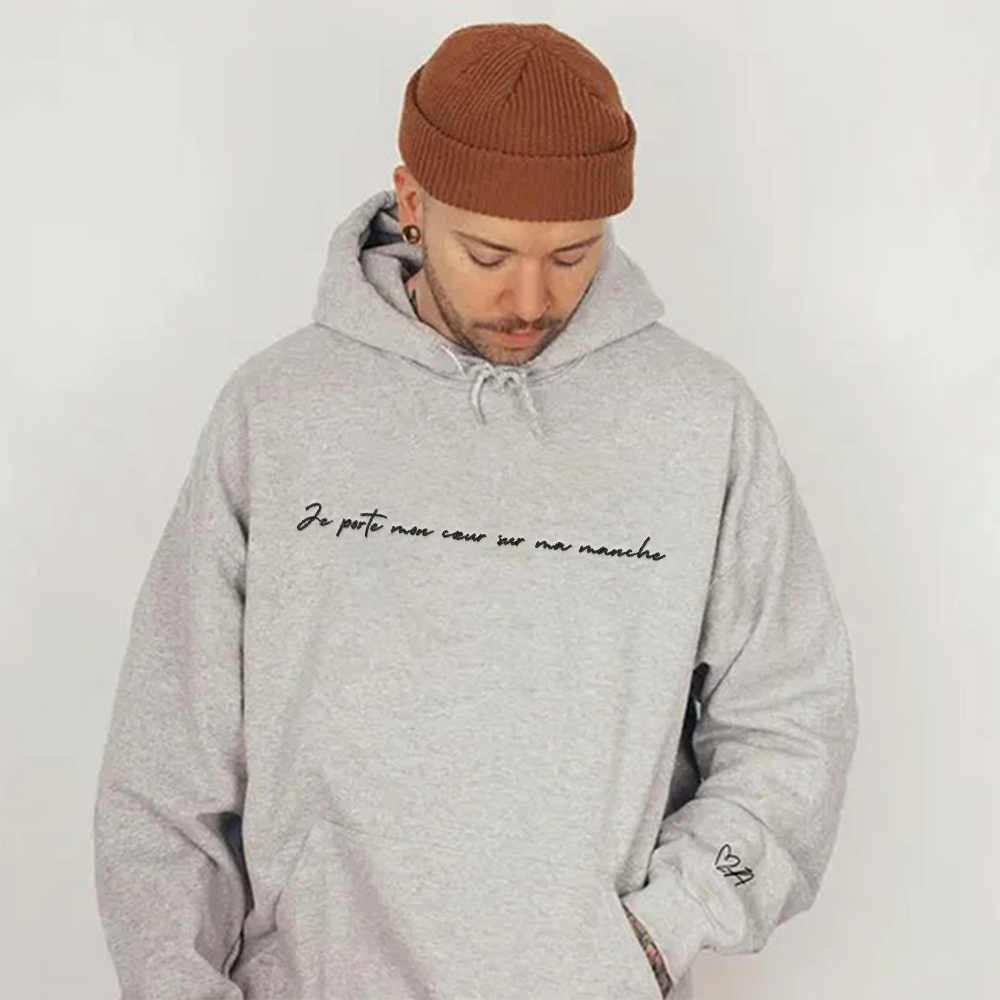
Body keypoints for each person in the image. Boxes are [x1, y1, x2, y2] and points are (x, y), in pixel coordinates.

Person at [93, 21, 860, 1000]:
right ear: (412, 203)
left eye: (572, 255)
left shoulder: (701, 421)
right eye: (488, 253)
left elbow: (793, 721)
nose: (530, 299)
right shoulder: (280, 412)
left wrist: (662, 931)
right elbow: (170, 756)